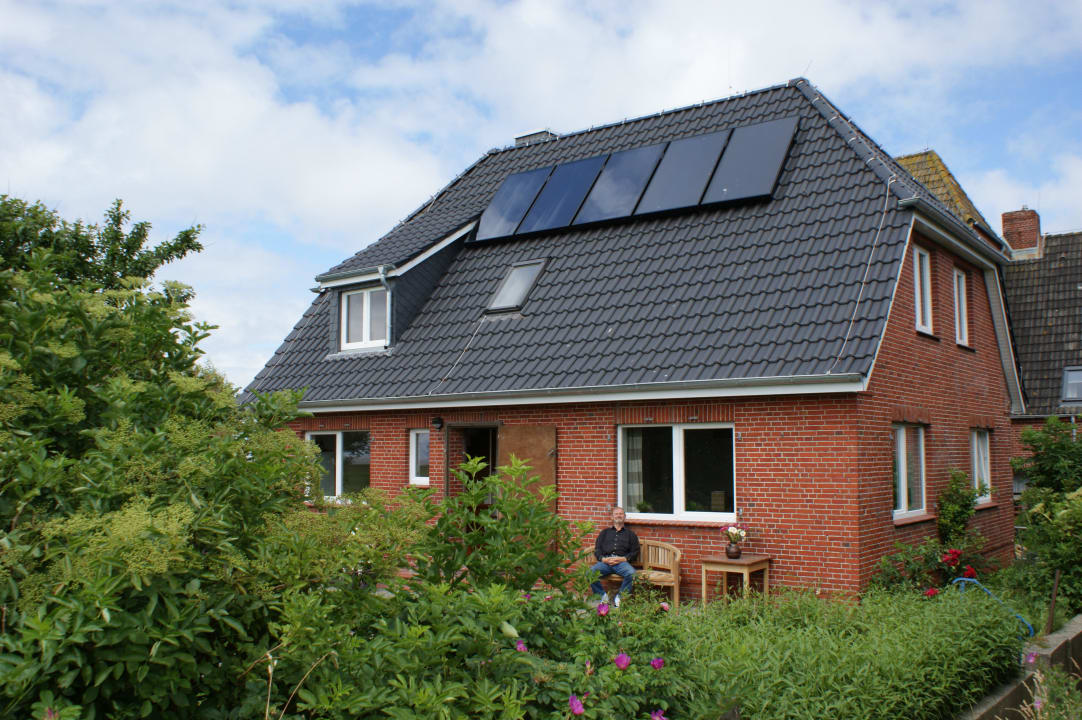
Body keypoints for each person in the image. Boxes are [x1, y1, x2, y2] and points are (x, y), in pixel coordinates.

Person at [589, 506, 640, 607]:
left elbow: (635, 551)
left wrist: (623, 558)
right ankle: (603, 597)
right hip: (606, 562)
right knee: (590, 573)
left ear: (624, 517)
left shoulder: (631, 535)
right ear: (612, 517)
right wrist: (603, 559)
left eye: (621, 514)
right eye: (616, 514)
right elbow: (597, 549)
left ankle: (620, 598)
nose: (618, 515)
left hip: (621, 563)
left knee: (632, 574)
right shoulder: (604, 533)